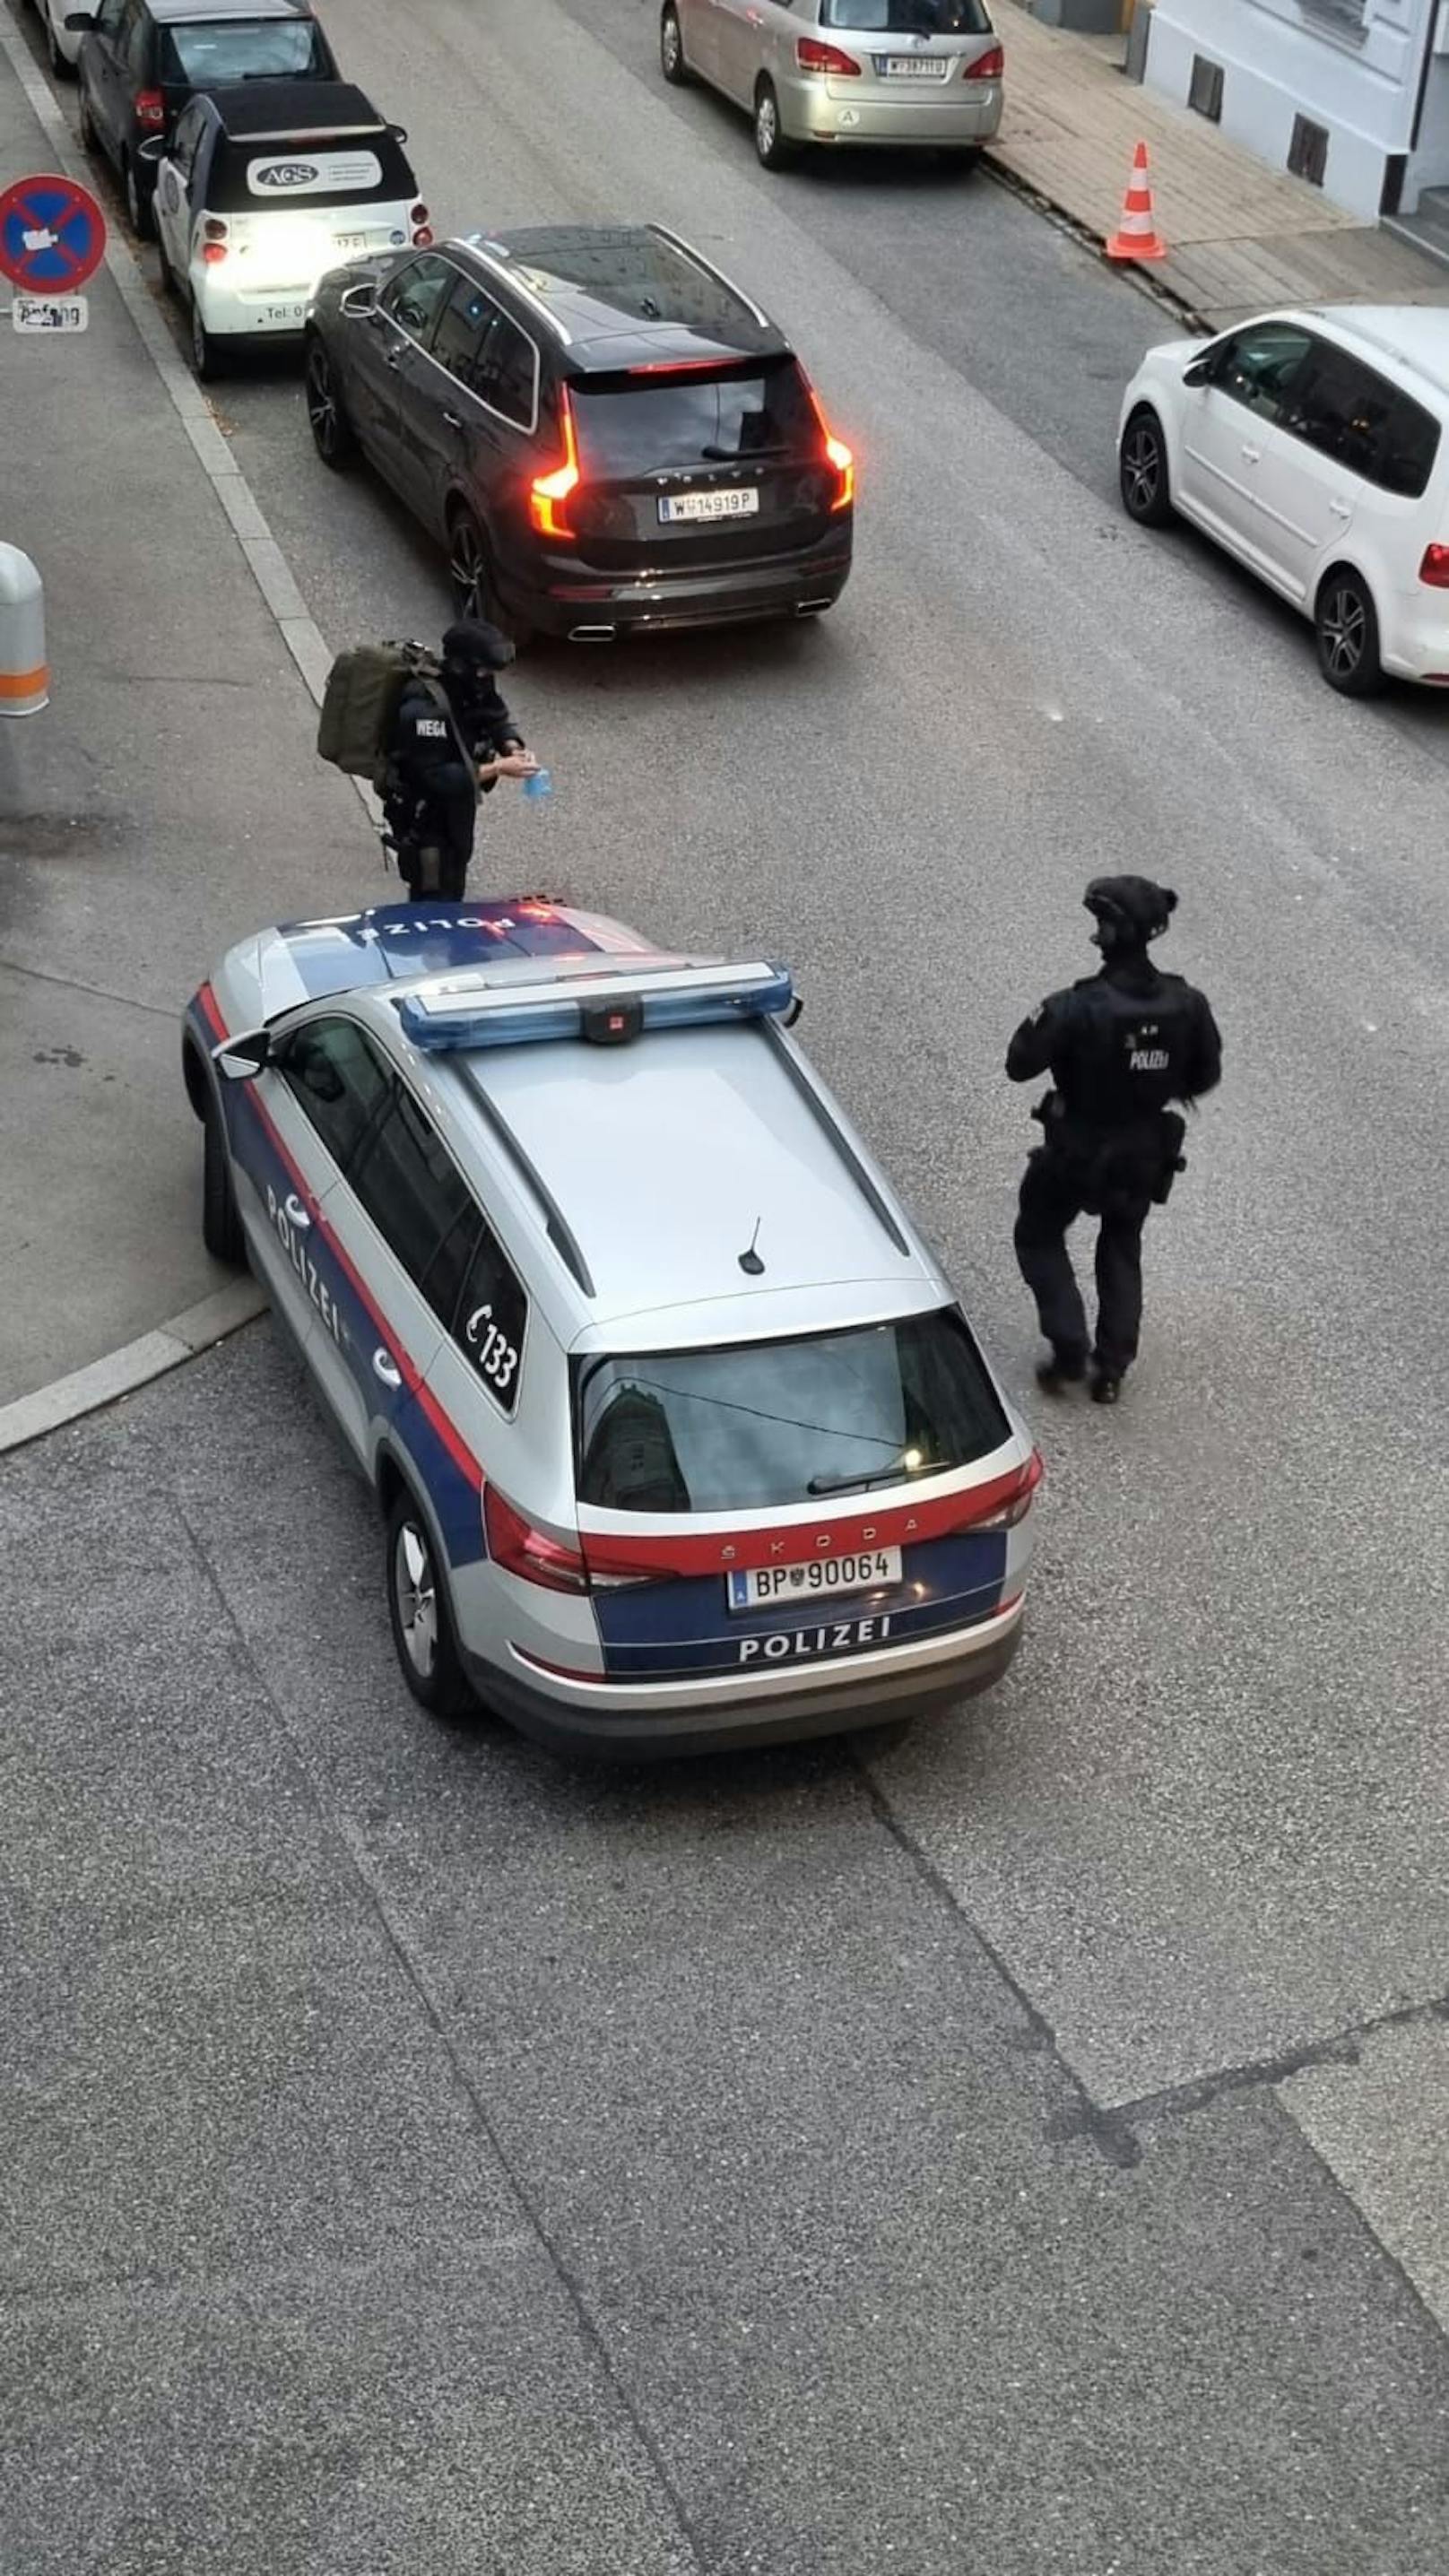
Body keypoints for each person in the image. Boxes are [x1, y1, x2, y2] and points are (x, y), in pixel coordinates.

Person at [1005, 876, 1222, 1406]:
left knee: (1037, 1234)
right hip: (1143, 1154)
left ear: (1109, 933)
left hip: (1074, 1151)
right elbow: (1204, 1076)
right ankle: (1112, 1369)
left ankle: (1069, 1344)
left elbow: (1018, 1065)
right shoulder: (1188, 1003)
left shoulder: (1076, 1007)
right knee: (1122, 1245)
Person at [385, 620, 537, 899]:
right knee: (432, 888)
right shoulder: (425, 708)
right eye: (483, 669)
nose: (487, 676)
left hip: (458, 806)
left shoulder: (474, 682)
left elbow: (494, 716)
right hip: (425, 813)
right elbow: (437, 777)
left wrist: (511, 746)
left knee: (456, 871)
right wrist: (500, 767)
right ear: (460, 665)